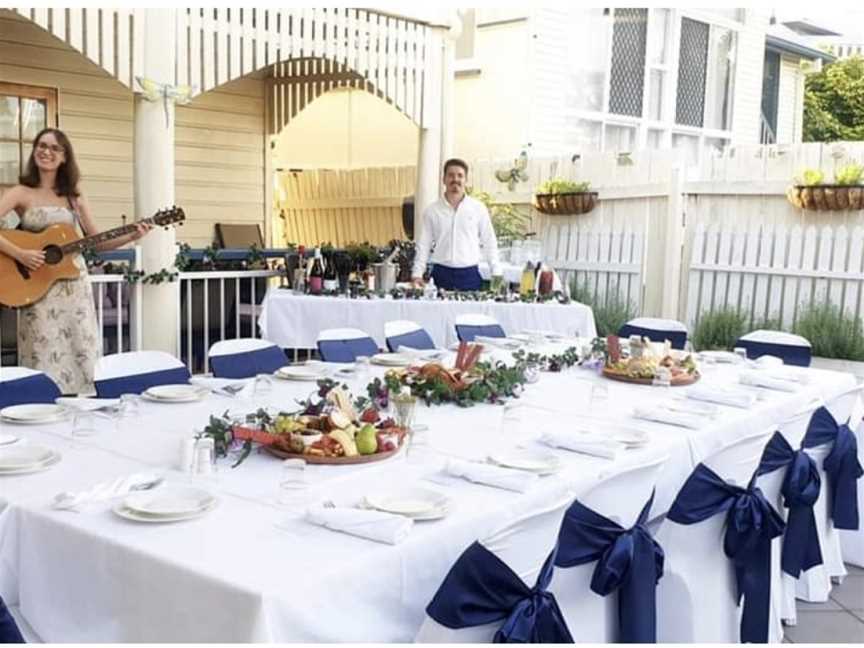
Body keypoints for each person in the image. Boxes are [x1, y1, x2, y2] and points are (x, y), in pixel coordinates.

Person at [0, 128, 152, 394]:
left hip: (74, 287)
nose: (46, 152)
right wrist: (20, 253)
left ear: (64, 157)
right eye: (42, 146)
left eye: (54, 148)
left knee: (80, 349)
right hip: (37, 287)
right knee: (42, 352)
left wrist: (131, 235)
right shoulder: (21, 192)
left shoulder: (74, 196)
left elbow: (98, 242)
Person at [411, 158, 502, 291]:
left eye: (460, 175)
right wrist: (417, 273)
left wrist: (496, 272)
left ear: (466, 180)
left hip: (469, 275)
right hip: (441, 275)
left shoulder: (478, 208)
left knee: (470, 312)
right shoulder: (432, 211)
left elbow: (489, 241)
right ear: (444, 179)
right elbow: (423, 245)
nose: (455, 179)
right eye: (451, 175)